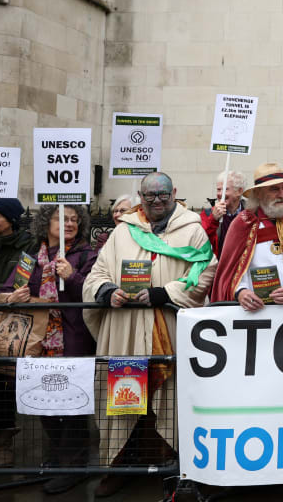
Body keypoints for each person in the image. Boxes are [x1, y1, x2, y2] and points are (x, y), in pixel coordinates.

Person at [82, 172, 215, 497]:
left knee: (167, 397)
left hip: (166, 328)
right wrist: (107, 291)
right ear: (141, 196)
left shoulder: (192, 230)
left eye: (163, 195)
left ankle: (167, 465)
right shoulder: (123, 231)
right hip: (125, 330)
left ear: (175, 194)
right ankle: (118, 466)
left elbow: (205, 271)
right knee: (124, 397)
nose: (157, 201)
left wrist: (164, 293)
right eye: (150, 195)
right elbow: (97, 272)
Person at [0, 205, 96, 492]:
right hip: (39, 345)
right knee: (46, 401)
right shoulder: (32, 259)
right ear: (46, 223)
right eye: (61, 218)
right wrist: (12, 296)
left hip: (74, 340)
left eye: (73, 220)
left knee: (73, 404)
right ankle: (57, 458)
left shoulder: (86, 255)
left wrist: (72, 276)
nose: (68, 224)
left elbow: (93, 292)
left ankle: (74, 467)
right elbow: (7, 290)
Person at [210, 164, 283, 309]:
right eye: (274, 189)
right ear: (258, 193)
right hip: (254, 314)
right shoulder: (242, 224)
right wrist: (241, 292)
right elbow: (230, 275)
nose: (282, 195)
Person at [0, 198, 29, 469]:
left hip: (7, 322)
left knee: (2, 384)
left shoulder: (26, 245)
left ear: (11, 219)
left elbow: (22, 281)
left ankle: (3, 443)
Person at [200, 169, 246, 257]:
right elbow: (201, 241)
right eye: (218, 190)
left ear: (239, 191)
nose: (220, 194)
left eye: (225, 189)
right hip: (218, 266)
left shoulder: (251, 213)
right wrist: (213, 219)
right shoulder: (207, 214)